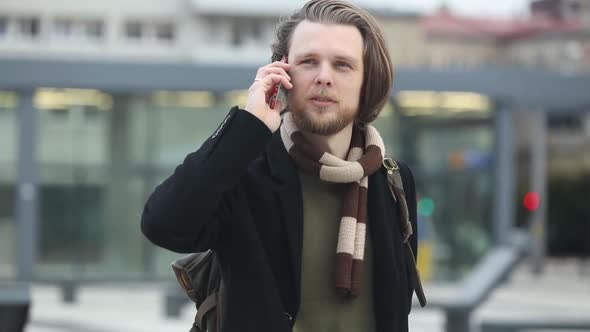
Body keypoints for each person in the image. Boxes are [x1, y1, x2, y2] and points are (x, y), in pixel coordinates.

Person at [141, 0, 419, 331]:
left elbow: (397, 307)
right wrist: (247, 125)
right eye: (308, 62)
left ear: (366, 81)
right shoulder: (244, 171)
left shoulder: (392, 179)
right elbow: (164, 223)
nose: (324, 77)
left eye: (343, 65)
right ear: (282, 73)